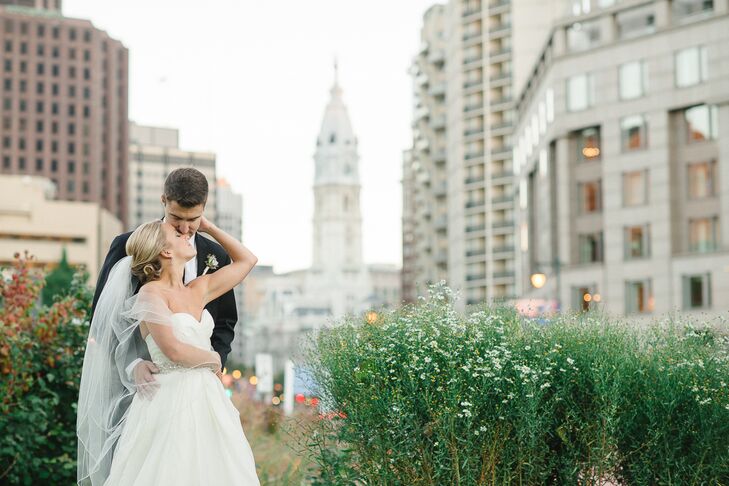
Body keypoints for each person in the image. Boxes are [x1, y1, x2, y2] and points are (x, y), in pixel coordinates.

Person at [77, 217, 260, 485]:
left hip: (208, 399)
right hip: (169, 400)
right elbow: (173, 350)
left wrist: (208, 227)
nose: (186, 233)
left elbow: (247, 261)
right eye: (177, 235)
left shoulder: (199, 288)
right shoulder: (150, 295)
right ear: (166, 251)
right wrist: (213, 359)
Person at [91, 168, 238, 399]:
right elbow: (102, 319)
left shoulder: (216, 255)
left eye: (193, 220)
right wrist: (133, 365)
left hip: (202, 388)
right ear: (163, 202)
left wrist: (214, 365)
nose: (184, 229)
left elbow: (225, 322)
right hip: (145, 389)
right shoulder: (126, 246)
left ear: (204, 209)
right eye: (176, 218)